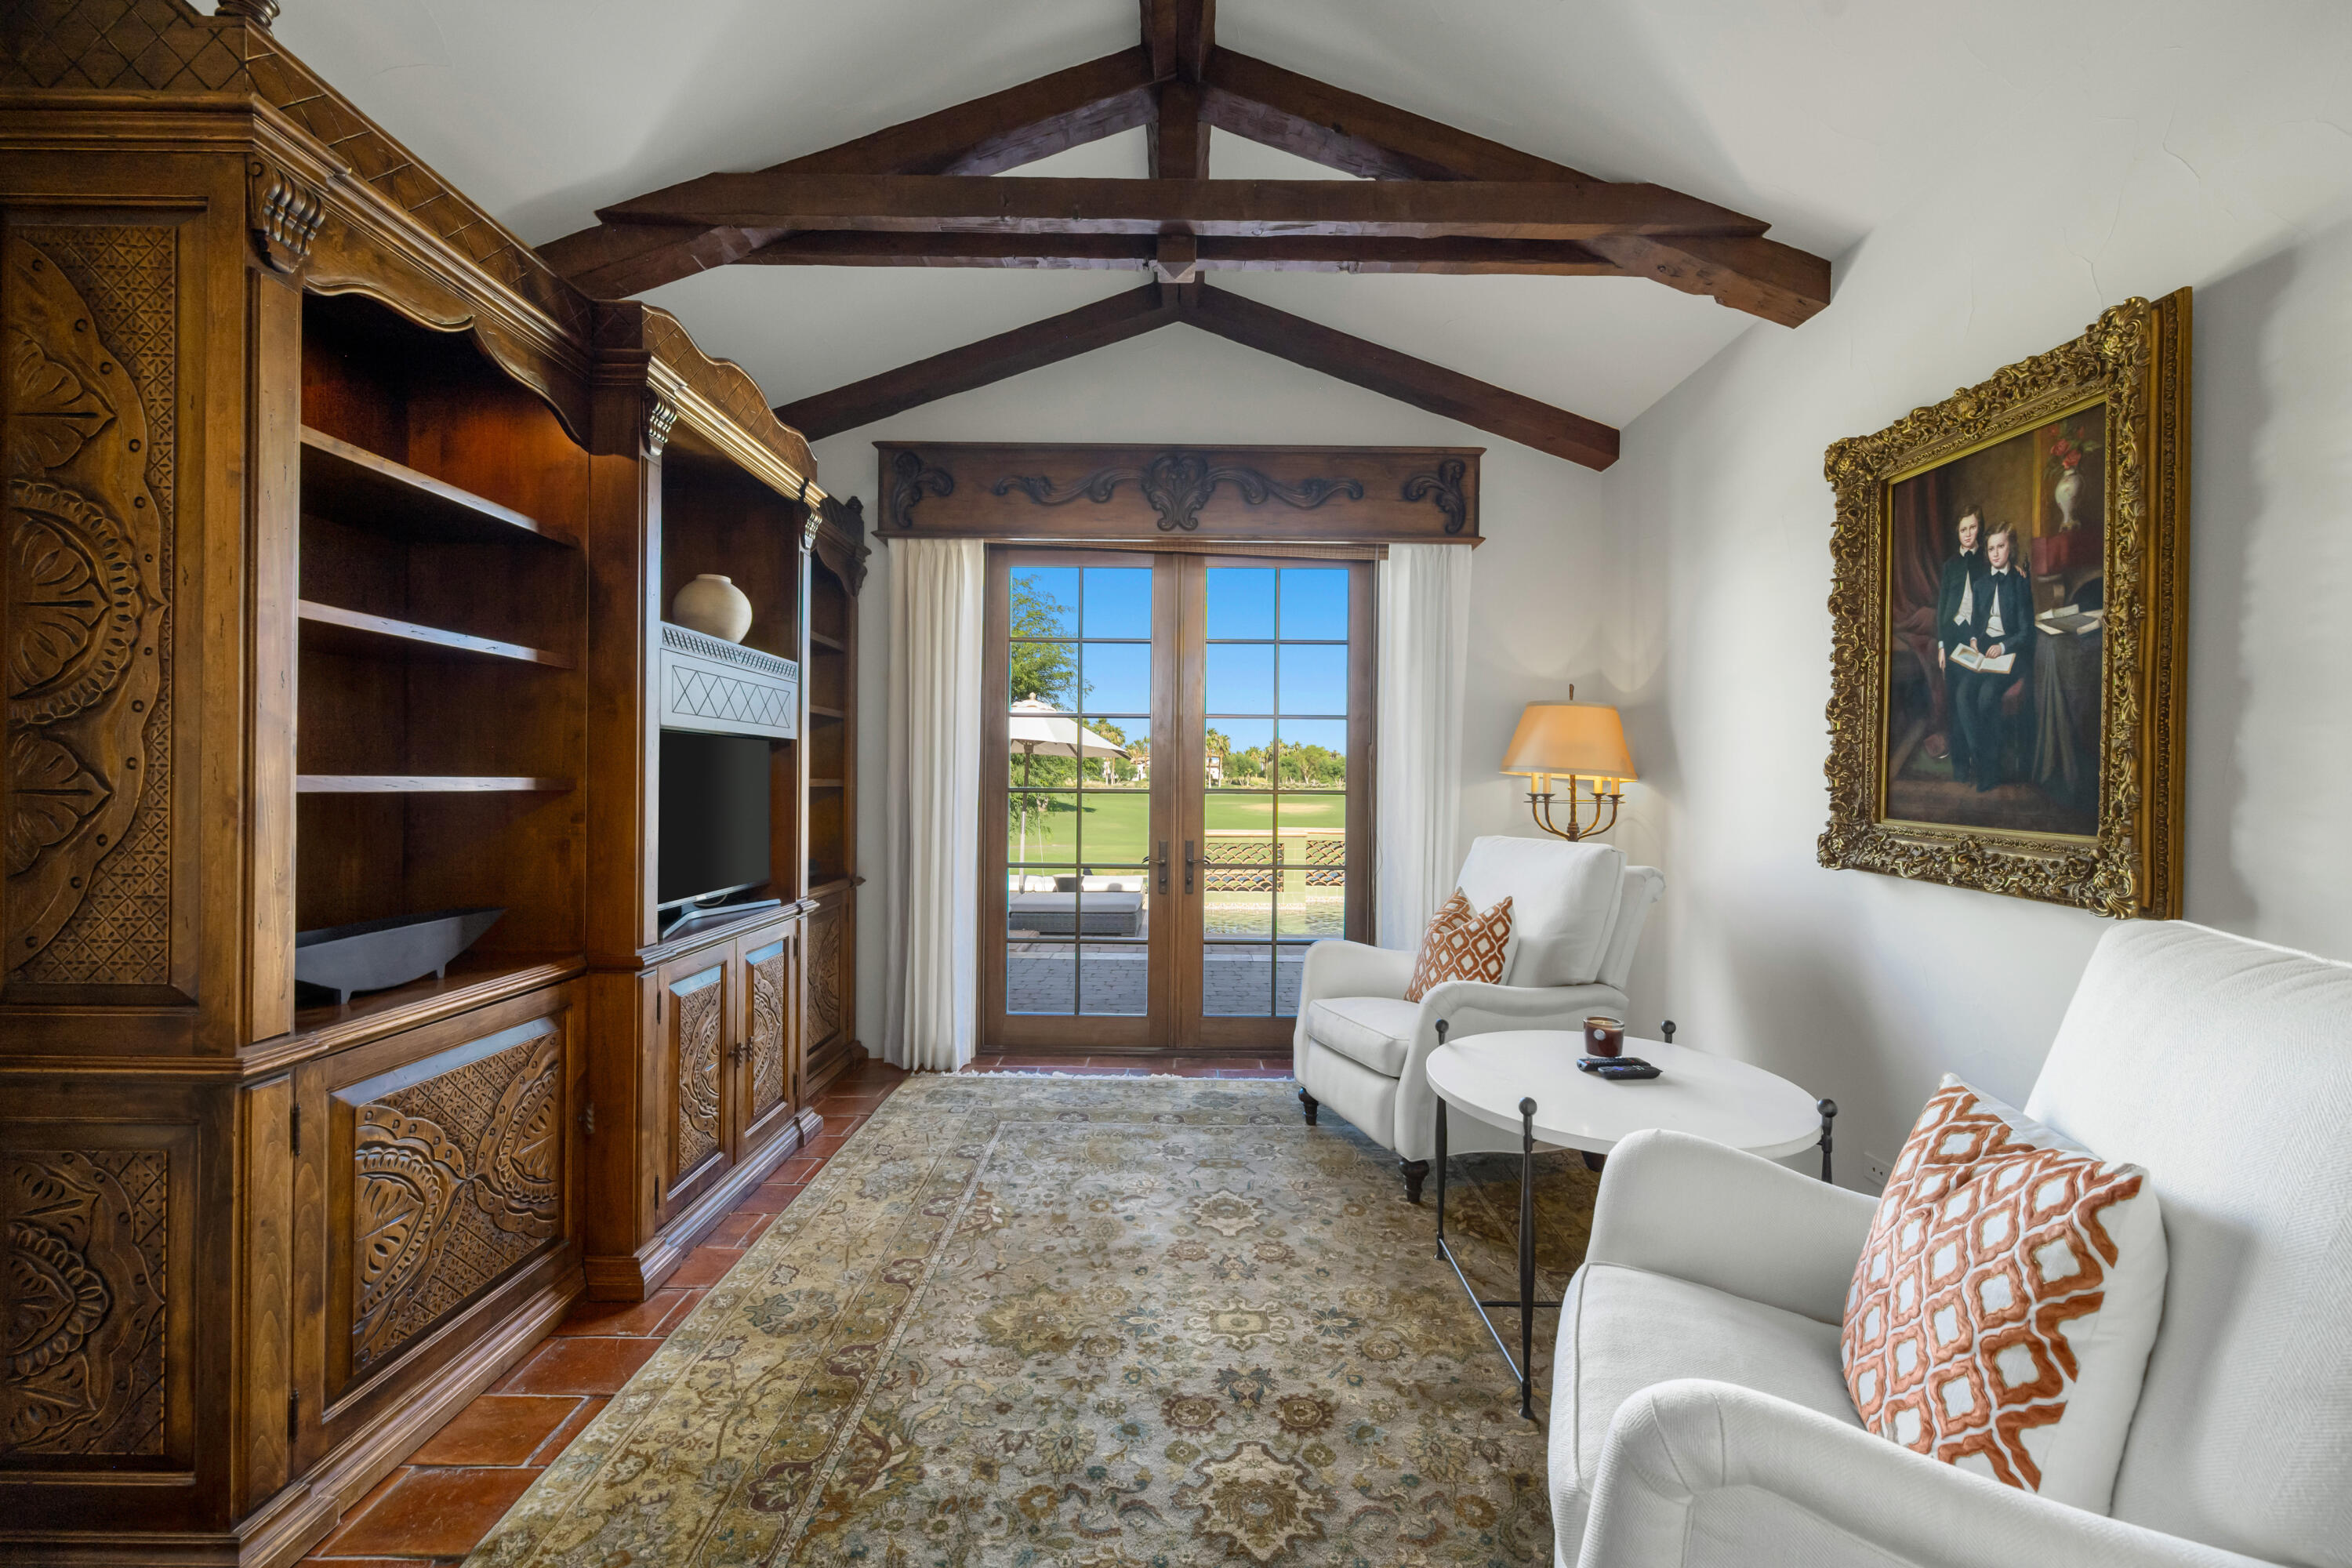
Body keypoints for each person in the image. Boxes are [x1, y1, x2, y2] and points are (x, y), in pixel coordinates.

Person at [1951, 524, 2037, 792]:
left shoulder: (2020, 582)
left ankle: (1991, 770)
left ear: (2011, 547)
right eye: (1991, 548)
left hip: (2010, 655)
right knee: (1963, 694)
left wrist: (2002, 646)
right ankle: (1983, 763)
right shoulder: (1981, 584)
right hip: (1984, 654)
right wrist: (1975, 640)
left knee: (1988, 695)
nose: (1996, 553)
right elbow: (1976, 624)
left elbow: (2026, 632)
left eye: (2001, 546)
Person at [1931, 506, 1988, 771]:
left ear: (1980, 529)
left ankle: (1980, 757)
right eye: (1963, 529)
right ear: (1958, 532)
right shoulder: (1950, 565)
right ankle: (1960, 763)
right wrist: (1942, 645)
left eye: (1973, 528)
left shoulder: (1987, 560)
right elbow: (1943, 606)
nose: (1968, 534)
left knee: (1971, 696)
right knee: (1954, 697)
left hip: (1977, 637)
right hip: (1952, 636)